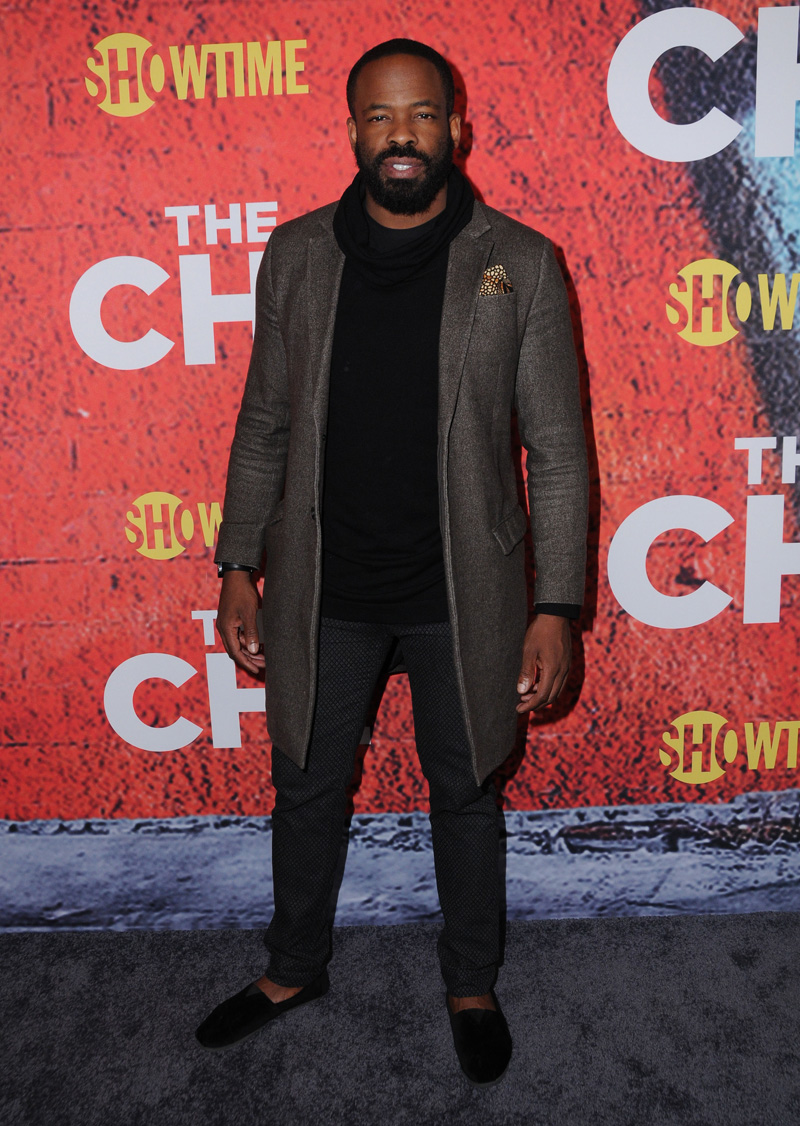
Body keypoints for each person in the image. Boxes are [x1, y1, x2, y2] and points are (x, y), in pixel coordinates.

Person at [196, 38, 588, 1086]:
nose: (401, 135)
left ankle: (470, 983)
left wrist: (556, 604)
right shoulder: (297, 255)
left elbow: (556, 448)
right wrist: (237, 564)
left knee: (465, 788)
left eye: (421, 115)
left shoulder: (519, 262)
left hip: (466, 589)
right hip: (325, 587)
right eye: (379, 116)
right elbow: (264, 423)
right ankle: (292, 968)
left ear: (456, 128)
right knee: (305, 784)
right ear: (352, 131)